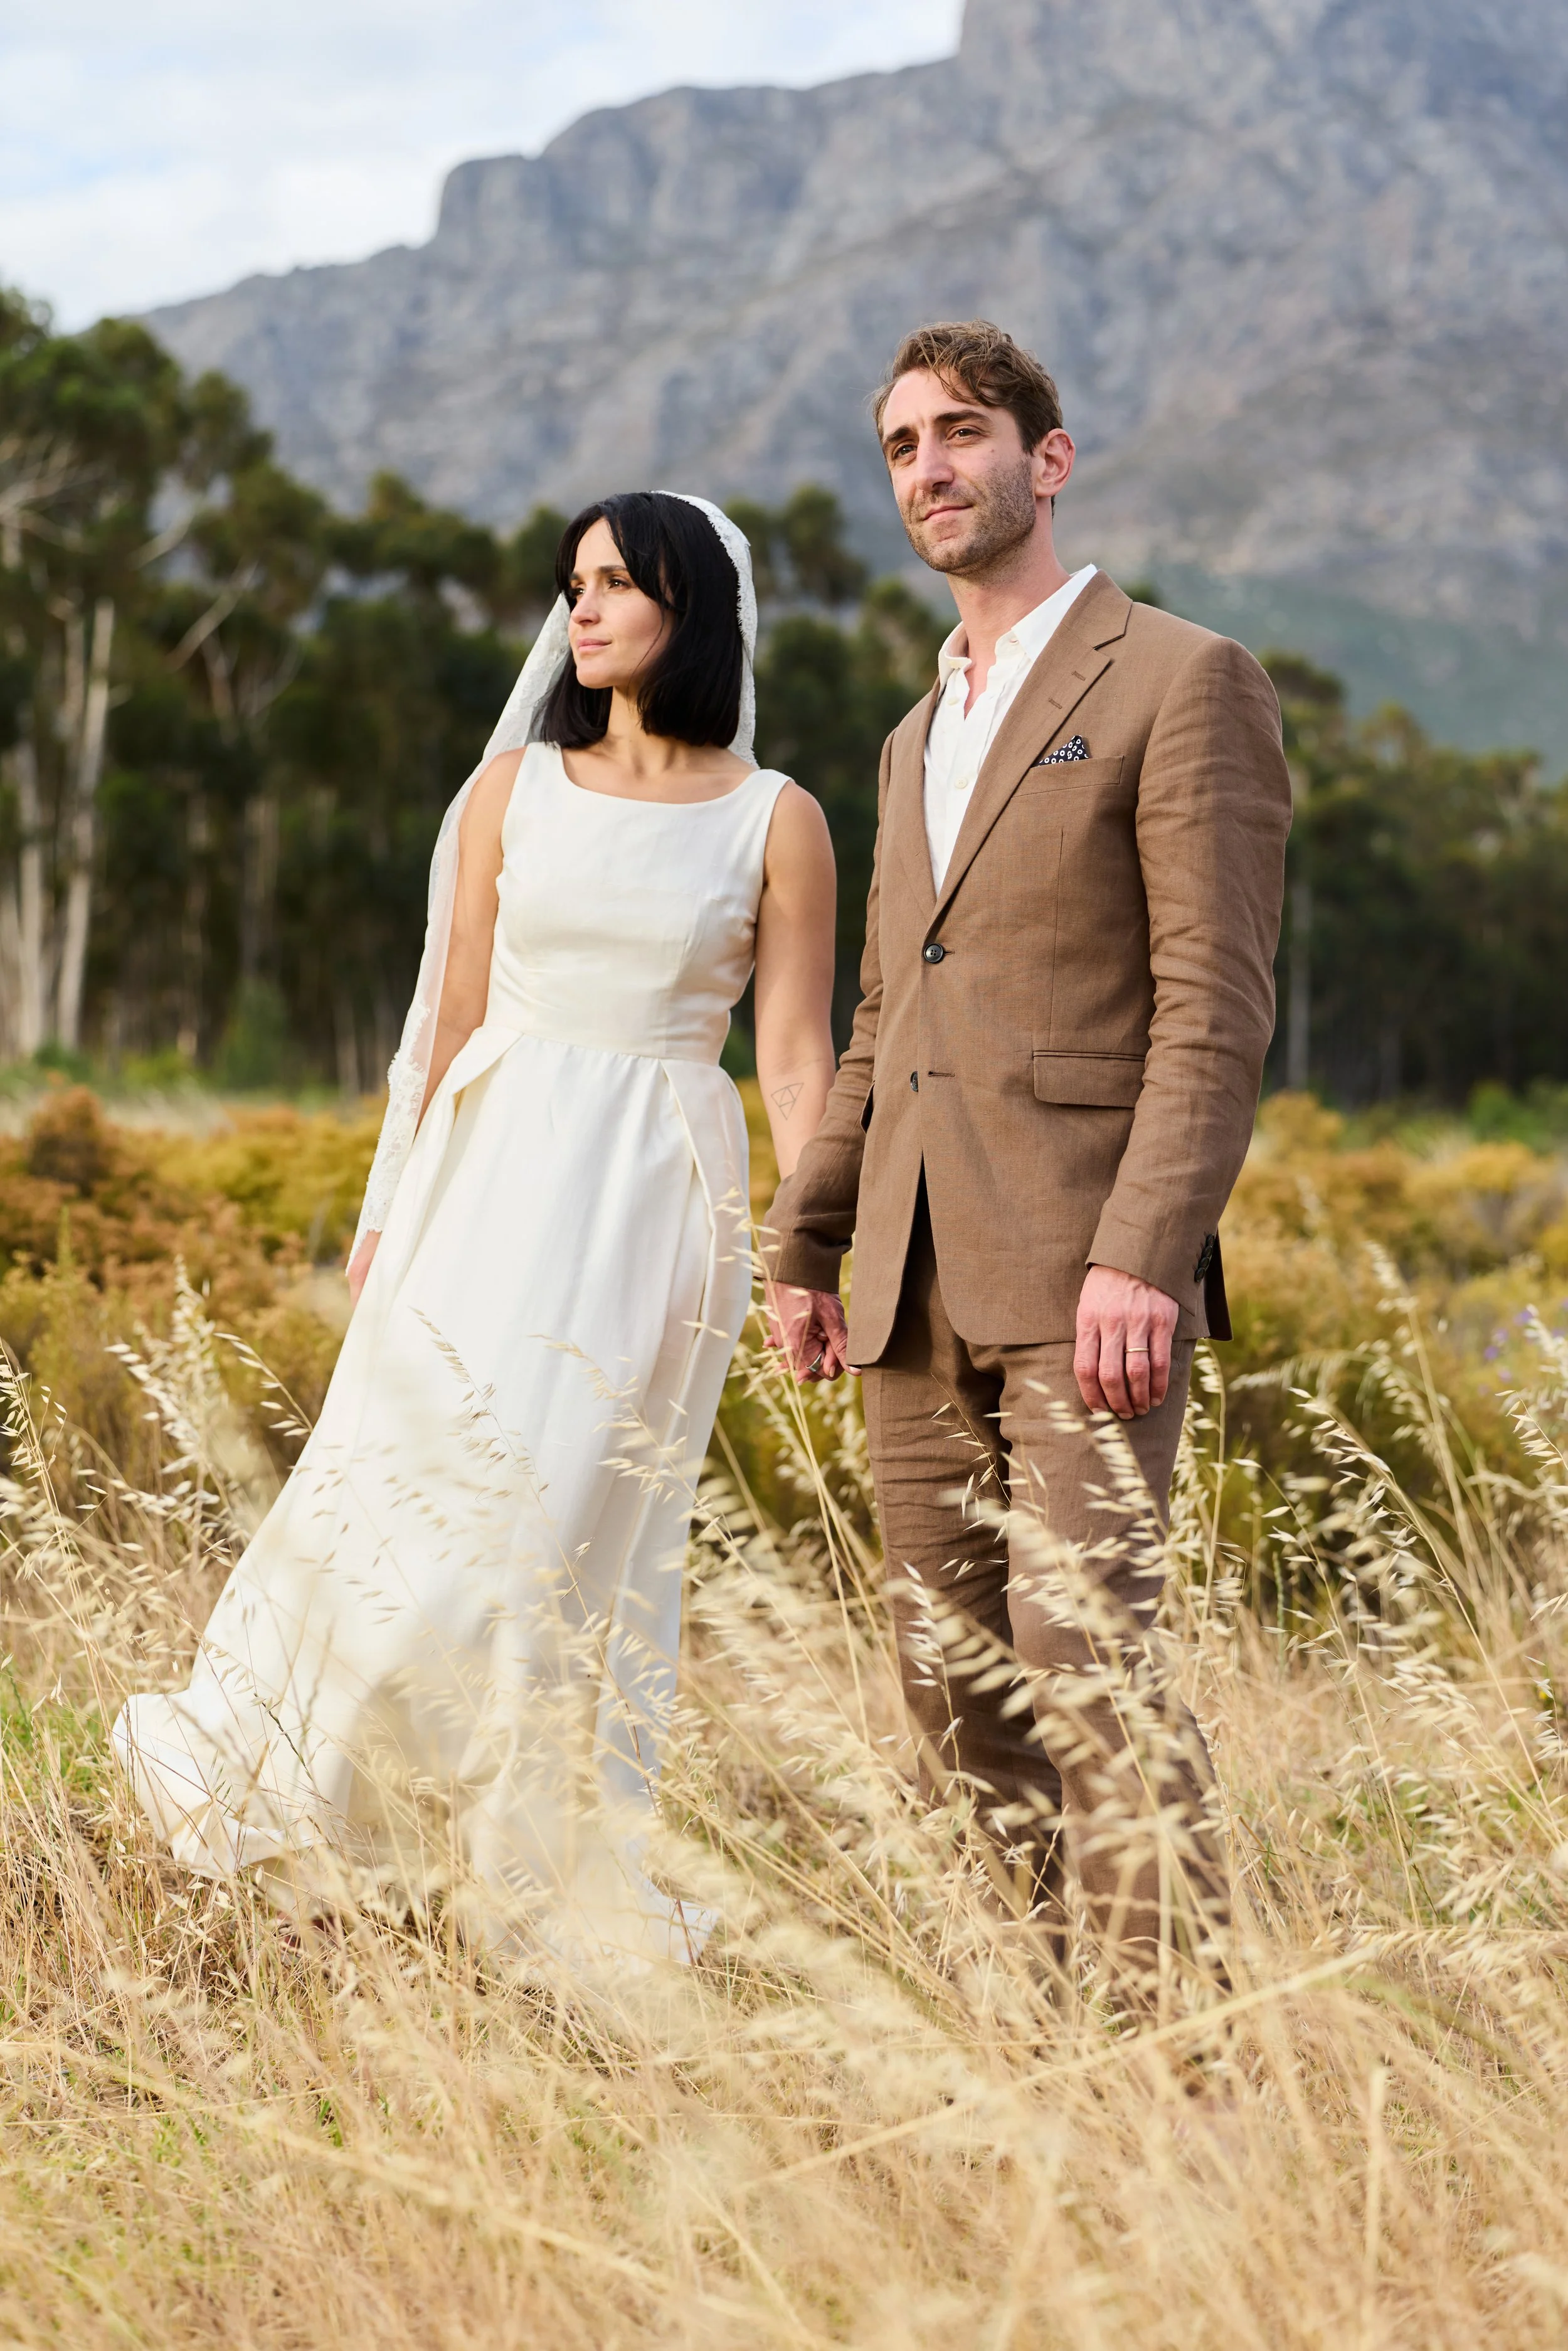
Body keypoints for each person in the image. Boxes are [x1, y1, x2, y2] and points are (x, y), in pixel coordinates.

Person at [115, 492, 838, 1966]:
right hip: (488, 1170)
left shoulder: (782, 820)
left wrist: (808, 1240)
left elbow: (796, 1057)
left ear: (688, 609)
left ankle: (518, 1855)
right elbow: (442, 1023)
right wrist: (390, 1210)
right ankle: (315, 1800)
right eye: (571, 583)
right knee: (403, 1500)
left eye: (616, 585)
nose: (580, 611)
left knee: (568, 1527)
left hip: (655, 1197)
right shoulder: (515, 788)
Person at [764, 322, 1291, 1995]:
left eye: (962, 433)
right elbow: (872, 1018)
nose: (929, 468)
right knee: (950, 1685)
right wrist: (804, 1239)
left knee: (1086, 1668)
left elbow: (1212, 1011)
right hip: (907, 1284)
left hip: (1085, 1276)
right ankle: (1051, 2045)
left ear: (1047, 459)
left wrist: (1143, 1247)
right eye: (902, 445)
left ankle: (1178, 2071)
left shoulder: (1180, 678)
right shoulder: (909, 739)